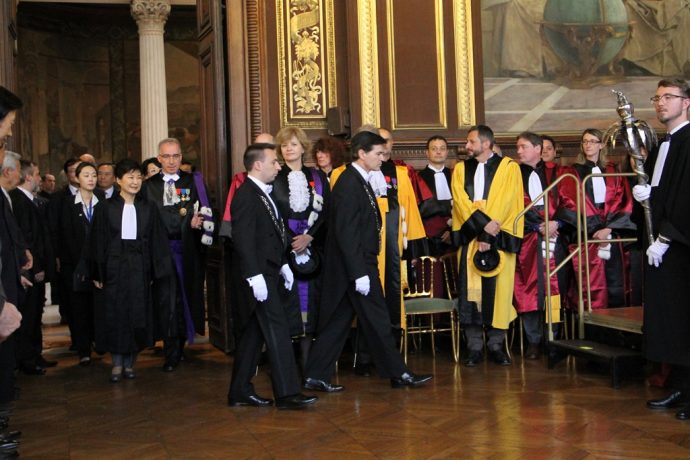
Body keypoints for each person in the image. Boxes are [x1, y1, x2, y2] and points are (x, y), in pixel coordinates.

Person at [303, 131, 432, 392]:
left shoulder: (359, 179)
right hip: (357, 266)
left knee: (340, 323)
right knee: (379, 319)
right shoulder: (349, 183)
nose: (382, 159)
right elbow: (346, 232)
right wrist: (359, 272)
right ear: (361, 154)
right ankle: (399, 373)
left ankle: (315, 375)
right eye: (377, 154)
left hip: (358, 265)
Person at [228, 143, 317, 409]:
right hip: (258, 277)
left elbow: (273, 233)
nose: (279, 167)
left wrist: (283, 265)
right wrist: (254, 276)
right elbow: (243, 240)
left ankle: (239, 390)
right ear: (258, 165)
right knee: (277, 331)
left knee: (254, 334)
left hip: (270, 271)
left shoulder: (262, 193)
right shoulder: (246, 195)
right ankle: (288, 394)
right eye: (274, 162)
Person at [634, 79, 690, 420]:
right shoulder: (662, 145)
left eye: (668, 97)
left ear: (686, 102)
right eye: (657, 98)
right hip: (661, 247)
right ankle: (682, 386)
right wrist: (647, 196)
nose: (660, 103)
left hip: (680, 246)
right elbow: (663, 194)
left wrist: (667, 238)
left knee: (685, 319)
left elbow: (686, 197)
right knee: (671, 321)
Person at [89, 159, 171, 383]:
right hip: (114, 268)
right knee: (115, 315)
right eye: (130, 177)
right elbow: (97, 242)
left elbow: (156, 241)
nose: (135, 182)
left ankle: (130, 363)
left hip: (140, 268)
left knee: (138, 314)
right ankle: (116, 363)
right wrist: (98, 273)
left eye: (138, 177)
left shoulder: (148, 207)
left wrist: (156, 272)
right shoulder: (105, 208)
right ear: (118, 181)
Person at [452, 125, 523, 367]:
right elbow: (461, 201)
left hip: (499, 237)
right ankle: (473, 347)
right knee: (471, 295)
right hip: (471, 237)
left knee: (498, 294)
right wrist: (482, 230)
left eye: (471, 141)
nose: (467, 145)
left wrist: (489, 236)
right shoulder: (461, 169)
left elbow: (507, 202)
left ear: (486, 144)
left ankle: (496, 345)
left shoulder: (509, 168)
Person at [141, 138, 209, 372]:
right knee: (166, 302)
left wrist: (198, 221)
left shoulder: (194, 182)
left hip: (187, 251)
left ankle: (181, 346)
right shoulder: (148, 186)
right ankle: (170, 351)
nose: (171, 161)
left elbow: (206, 212)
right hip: (161, 253)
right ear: (159, 158)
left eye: (176, 156)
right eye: (166, 156)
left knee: (184, 300)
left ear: (181, 157)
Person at [513, 132, 576, 359]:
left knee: (555, 287)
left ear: (538, 149)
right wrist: (537, 224)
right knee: (527, 289)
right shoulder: (512, 175)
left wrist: (556, 222)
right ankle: (533, 341)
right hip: (527, 239)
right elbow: (509, 206)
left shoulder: (559, 172)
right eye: (517, 147)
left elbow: (570, 201)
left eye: (523, 147)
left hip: (555, 237)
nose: (518, 151)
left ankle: (554, 339)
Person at [271, 127, 330, 367]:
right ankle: (288, 363)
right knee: (287, 303)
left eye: (293, 144)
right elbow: (271, 214)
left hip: (312, 249)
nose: (288, 149)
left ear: (303, 147)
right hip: (284, 249)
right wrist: (291, 240)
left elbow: (326, 213)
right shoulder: (274, 176)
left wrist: (309, 238)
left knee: (312, 305)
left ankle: (309, 361)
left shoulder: (317, 177)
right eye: (284, 145)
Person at [569, 129, 635, 309]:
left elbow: (625, 202)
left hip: (612, 234)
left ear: (601, 145)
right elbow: (572, 202)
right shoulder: (573, 172)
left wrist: (609, 229)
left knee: (616, 283)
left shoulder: (613, 170)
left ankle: (618, 332)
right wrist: (595, 229)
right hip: (589, 235)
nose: (588, 145)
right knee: (591, 288)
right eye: (585, 141)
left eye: (592, 141)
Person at [10, 160, 56, 374]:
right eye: (37, 174)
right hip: (31, 268)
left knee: (36, 312)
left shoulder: (30, 200)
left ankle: (35, 354)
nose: (40, 178)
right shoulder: (19, 201)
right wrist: (36, 267)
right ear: (28, 176)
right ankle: (27, 359)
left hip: (37, 265)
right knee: (29, 315)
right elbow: (27, 239)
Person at [55, 162, 102, 366]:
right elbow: (63, 235)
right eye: (86, 175)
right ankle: (83, 349)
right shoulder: (67, 204)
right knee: (79, 309)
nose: (91, 179)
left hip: (99, 266)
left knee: (97, 307)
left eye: (94, 175)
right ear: (77, 178)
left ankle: (98, 341)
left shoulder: (104, 202)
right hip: (75, 266)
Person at [417, 135, 454, 257]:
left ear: (447, 152)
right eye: (434, 149)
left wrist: (451, 231)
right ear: (427, 153)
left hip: (455, 235)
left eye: (442, 148)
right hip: (428, 238)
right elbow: (419, 209)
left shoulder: (455, 175)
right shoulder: (418, 178)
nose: (438, 152)